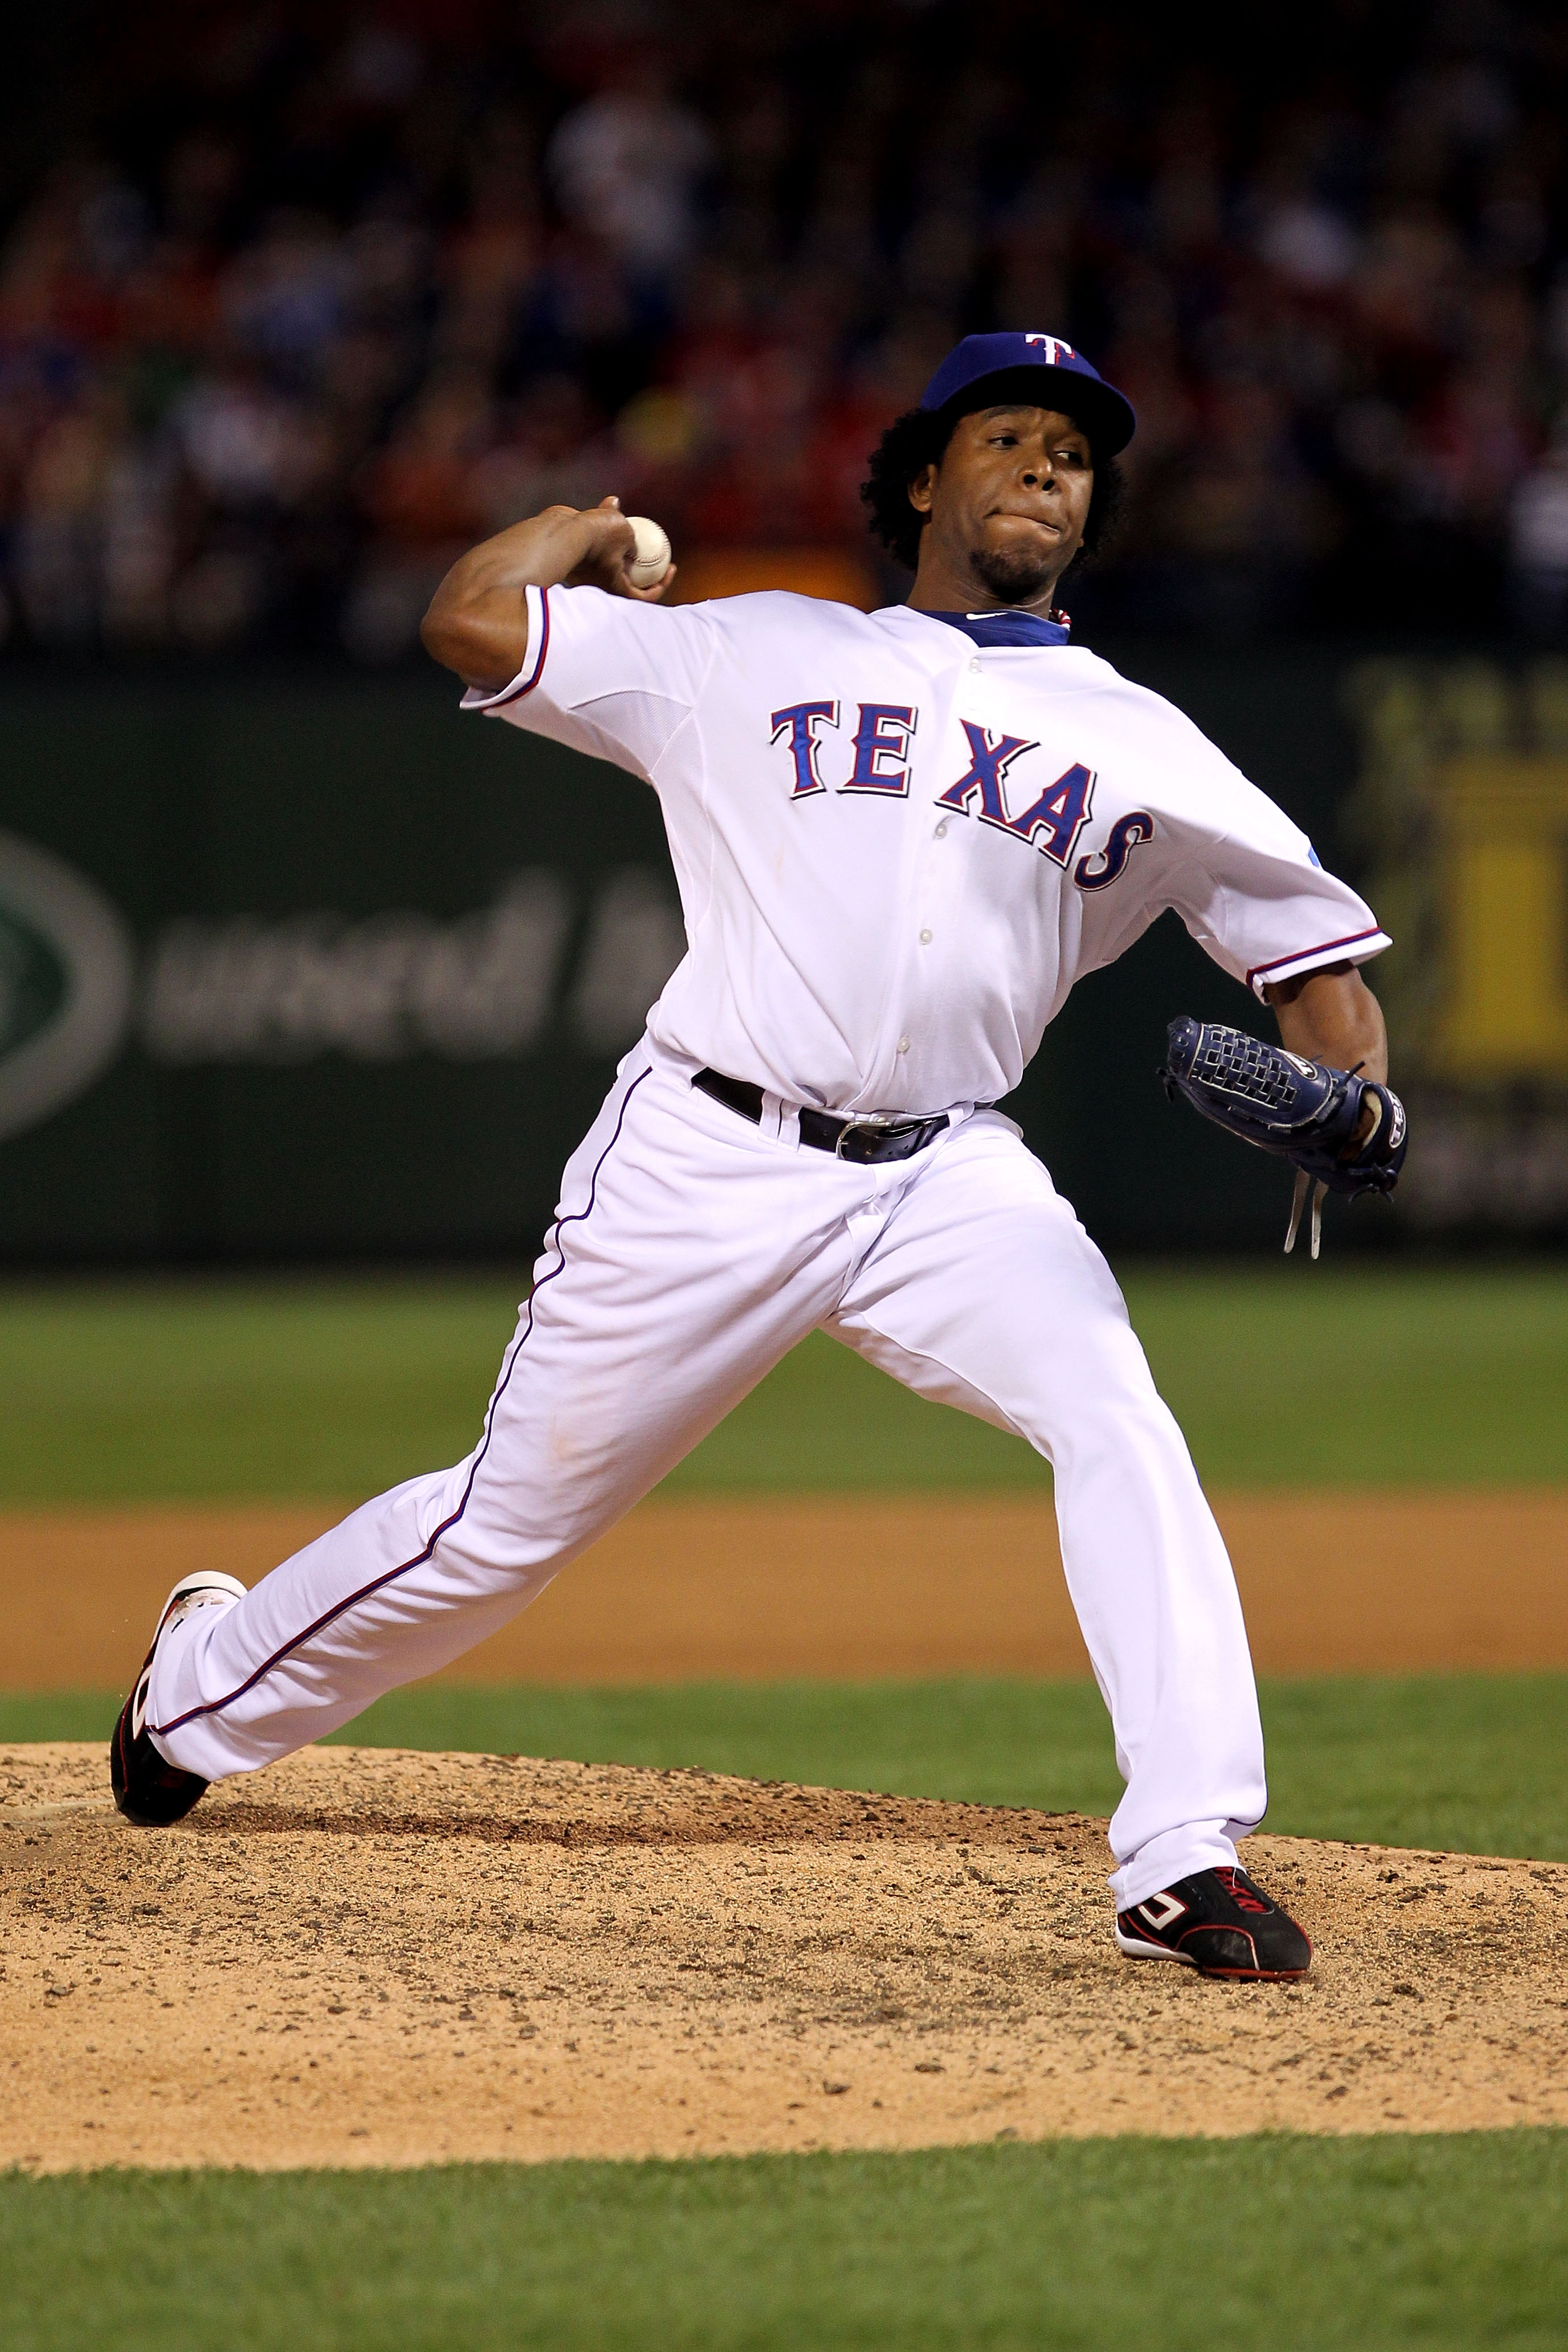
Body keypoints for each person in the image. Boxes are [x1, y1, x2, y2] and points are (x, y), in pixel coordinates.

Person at [112, 332, 1394, 1982]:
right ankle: (198, 1688)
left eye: (1072, 455)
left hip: (947, 1175)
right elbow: (467, 620)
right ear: (923, 478)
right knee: (506, 1527)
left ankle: (1180, 1851)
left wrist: (1354, 1098)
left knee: (1114, 1415)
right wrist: (578, 527)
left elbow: (1320, 981)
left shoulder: (1143, 738)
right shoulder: (748, 651)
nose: (1042, 468)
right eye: (1005, 436)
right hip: (709, 1154)